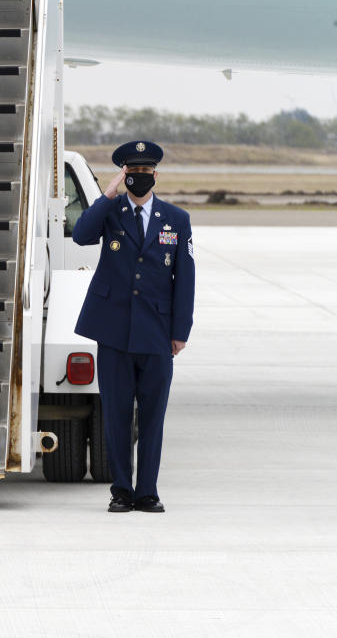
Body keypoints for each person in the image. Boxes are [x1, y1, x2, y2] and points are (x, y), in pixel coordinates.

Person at [71, 140, 195, 513]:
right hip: (114, 331)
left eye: (145, 172)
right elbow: (80, 235)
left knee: (153, 417)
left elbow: (185, 279)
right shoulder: (111, 213)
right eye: (131, 172)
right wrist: (107, 195)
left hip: (157, 332)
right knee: (117, 414)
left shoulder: (176, 219)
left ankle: (148, 491)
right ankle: (121, 489)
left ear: (155, 174)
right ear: (123, 175)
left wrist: (180, 332)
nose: (139, 178)